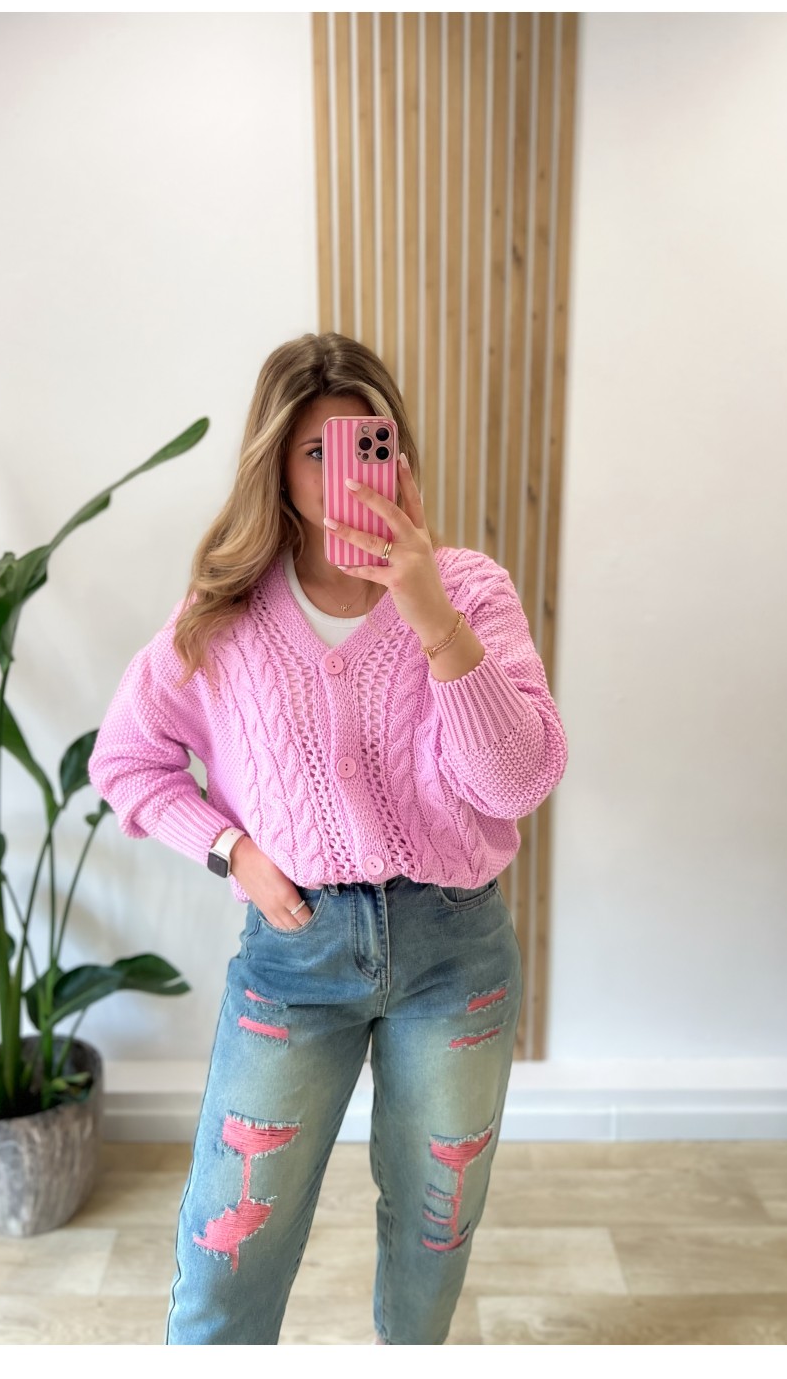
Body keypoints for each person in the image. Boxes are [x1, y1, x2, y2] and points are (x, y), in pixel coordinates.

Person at [87, 331, 568, 1345]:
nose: (345, 471)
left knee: (434, 1230)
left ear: (398, 452)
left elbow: (518, 780)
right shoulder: (225, 611)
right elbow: (127, 757)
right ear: (277, 465)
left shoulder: (469, 590)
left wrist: (430, 613)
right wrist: (233, 851)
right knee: (230, 1247)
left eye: (366, 445)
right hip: (295, 954)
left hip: (454, 949)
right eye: (317, 451)